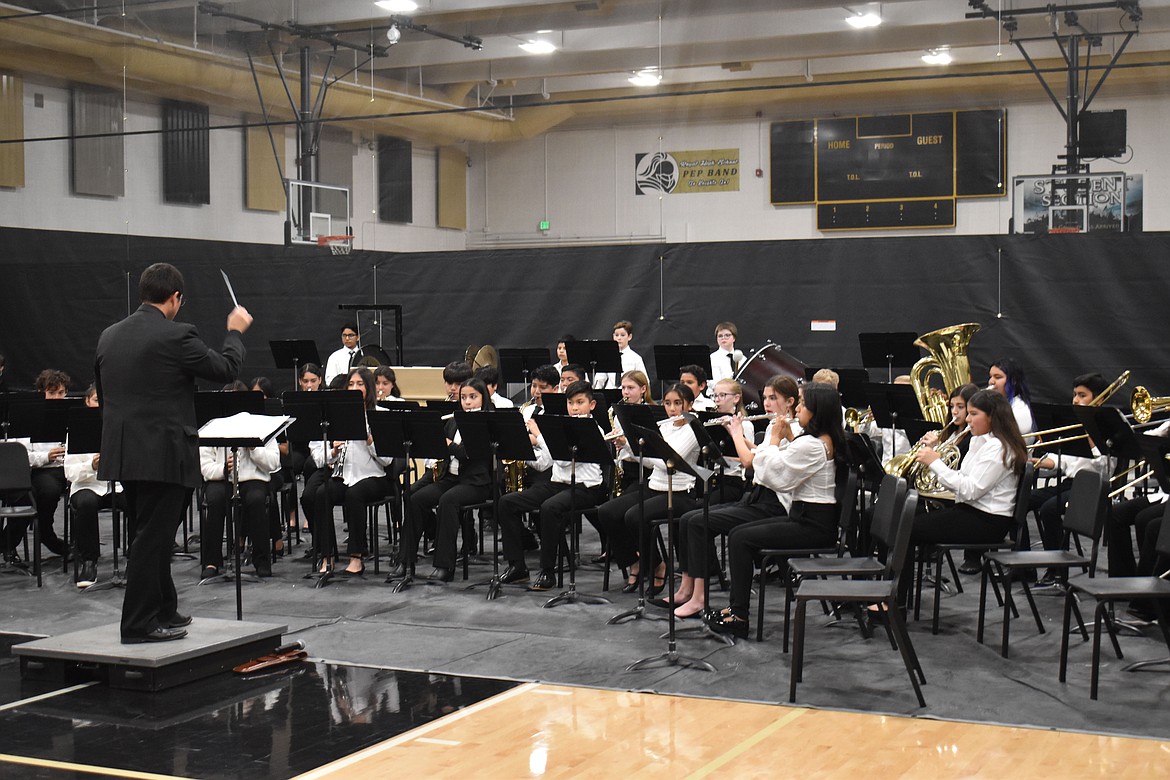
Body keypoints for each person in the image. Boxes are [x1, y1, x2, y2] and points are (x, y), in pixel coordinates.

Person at [95, 262, 251, 643]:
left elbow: (105, 397)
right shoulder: (176, 335)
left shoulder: (109, 336)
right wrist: (234, 331)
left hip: (124, 452)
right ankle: (137, 624)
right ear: (175, 298)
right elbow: (227, 368)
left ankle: (164, 607)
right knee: (154, 538)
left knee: (148, 532)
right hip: (164, 454)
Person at [706, 382, 844, 637]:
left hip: (813, 525)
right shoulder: (820, 439)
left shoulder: (812, 445)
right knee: (739, 533)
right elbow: (785, 460)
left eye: (803, 404)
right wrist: (783, 440)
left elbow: (776, 476)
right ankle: (736, 610)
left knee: (740, 537)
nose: (799, 409)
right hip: (810, 518)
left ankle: (739, 615)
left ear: (817, 411)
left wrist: (774, 438)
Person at [900, 389, 1028, 606]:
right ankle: (893, 593)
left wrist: (935, 463)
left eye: (973, 414)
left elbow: (970, 489)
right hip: (970, 511)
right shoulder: (981, 441)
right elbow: (963, 478)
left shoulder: (999, 448)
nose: (967, 419)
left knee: (906, 528)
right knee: (902, 519)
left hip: (988, 521)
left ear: (992, 417)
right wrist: (938, 463)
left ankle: (897, 600)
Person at [496, 381, 607, 590]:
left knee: (550, 508)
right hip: (558, 484)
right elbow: (545, 463)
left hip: (586, 487)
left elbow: (565, 459)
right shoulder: (561, 425)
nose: (574, 408)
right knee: (507, 502)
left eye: (580, 402)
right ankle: (517, 566)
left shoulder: (592, 428)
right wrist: (520, 450)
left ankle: (548, 571)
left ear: (591, 405)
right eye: (571, 403)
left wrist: (538, 436)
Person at [597, 382, 700, 597]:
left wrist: (647, 446)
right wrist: (627, 445)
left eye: (678, 403)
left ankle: (657, 565)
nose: (672, 409)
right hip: (656, 486)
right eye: (668, 403)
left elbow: (670, 462)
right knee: (607, 512)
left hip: (680, 493)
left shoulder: (693, 427)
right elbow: (650, 462)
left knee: (634, 517)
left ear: (690, 404)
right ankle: (635, 562)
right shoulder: (664, 426)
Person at [397, 377, 494, 582]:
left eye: (473, 397)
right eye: (464, 398)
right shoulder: (452, 421)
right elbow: (442, 448)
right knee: (416, 499)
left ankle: (444, 565)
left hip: (476, 483)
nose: (467, 402)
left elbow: (468, 453)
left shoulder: (486, 422)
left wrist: (448, 445)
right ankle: (405, 561)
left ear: (483, 399)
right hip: (450, 478)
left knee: (447, 501)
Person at [1026, 373, 1116, 584]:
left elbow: (1106, 467)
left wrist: (1091, 434)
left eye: (1082, 395)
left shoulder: (1109, 427)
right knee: (1025, 500)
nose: (1075, 400)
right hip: (1072, 482)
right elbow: (1064, 462)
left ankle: (1057, 568)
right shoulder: (1073, 422)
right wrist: (1034, 460)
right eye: (1075, 394)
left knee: (1049, 509)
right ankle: (1026, 568)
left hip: (1095, 486)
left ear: (1099, 398)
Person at [311, 368, 394, 576]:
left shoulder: (380, 415)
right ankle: (327, 555)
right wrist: (333, 450)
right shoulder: (337, 415)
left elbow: (387, 459)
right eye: (351, 384)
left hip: (374, 477)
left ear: (369, 388)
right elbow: (320, 458)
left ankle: (357, 556)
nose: (355, 388)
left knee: (354, 494)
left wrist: (369, 440)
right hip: (344, 474)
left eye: (360, 384)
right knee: (322, 493)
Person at [199, 382, 281, 580]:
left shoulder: (261, 425)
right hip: (222, 479)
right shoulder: (212, 426)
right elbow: (204, 466)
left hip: (253, 478)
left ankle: (261, 560)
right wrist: (223, 470)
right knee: (216, 499)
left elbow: (274, 462)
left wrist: (254, 448)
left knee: (255, 499)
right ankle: (212, 560)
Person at [64, 384, 126, 587]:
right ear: (87, 402)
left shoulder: (119, 426)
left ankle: (137, 560)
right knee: (86, 503)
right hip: (85, 487)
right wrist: (92, 465)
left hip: (115, 486)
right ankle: (89, 561)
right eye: (97, 401)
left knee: (137, 499)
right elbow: (70, 472)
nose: (101, 405)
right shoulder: (76, 429)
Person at [11, 369, 73, 560]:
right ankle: (45, 534)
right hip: (38, 469)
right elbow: (20, 454)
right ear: (41, 393)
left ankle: (80, 547)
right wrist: (46, 455)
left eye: (61, 393)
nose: (56, 398)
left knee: (54, 491)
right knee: (40, 492)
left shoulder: (70, 413)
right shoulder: (27, 415)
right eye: (51, 393)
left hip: (66, 468)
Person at [595, 320, 647, 389]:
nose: (619, 338)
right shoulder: (607, 357)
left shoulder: (636, 358)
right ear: (613, 336)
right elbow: (600, 379)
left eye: (622, 335)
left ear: (629, 337)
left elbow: (645, 381)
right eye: (616, 335)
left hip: (628, 393)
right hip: (609, 393)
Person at [709, 322, 740, 386]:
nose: (723, 338)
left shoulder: (742, 358)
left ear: (734, 338)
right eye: (720, 336)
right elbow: (713, 382)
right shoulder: (712, 358)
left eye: (727, 335)